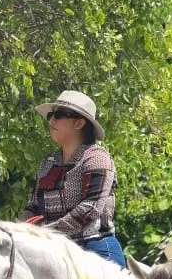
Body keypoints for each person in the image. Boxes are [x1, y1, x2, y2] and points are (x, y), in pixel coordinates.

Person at [24, 90, 124, 266]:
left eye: (59, 114)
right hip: (51, 246)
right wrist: (19, 230)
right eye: (50, 115)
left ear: (79, 123)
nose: (51, 120)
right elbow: (33, 206)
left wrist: (46, 232)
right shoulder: (48, 162)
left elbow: (90, 208)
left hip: (94, 244)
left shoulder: (97, 158)